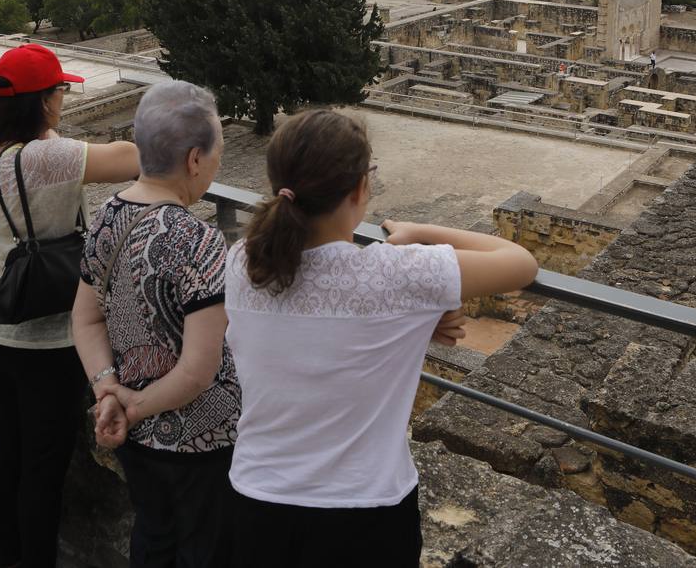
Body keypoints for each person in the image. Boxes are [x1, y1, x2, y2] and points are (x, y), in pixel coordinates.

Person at [223, 110, 539, 567]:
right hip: (364, 512)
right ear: (359, 188)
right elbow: (520, 261)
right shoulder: (398, 274)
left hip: (257, 500)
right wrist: (418, 237)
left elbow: (314, 317)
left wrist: (415, 319)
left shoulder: (241, 262)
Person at [0, 43, 140, 568]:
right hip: (42, 338)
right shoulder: (50, 156)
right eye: (58, 90)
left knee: (6, 451)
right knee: (42, 466)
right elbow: (132, 158)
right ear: (43, 101)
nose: (62, 97)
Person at [73, 81, 240, 568]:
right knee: (205, 551)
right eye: (216, 154)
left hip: (133, 437)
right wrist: (135, 408)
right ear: (193, 160)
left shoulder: (108, 215)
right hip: (200, 439)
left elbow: (84, 319)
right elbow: (198, 372)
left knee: (154, 535)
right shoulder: (199, 240)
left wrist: (109, 394)